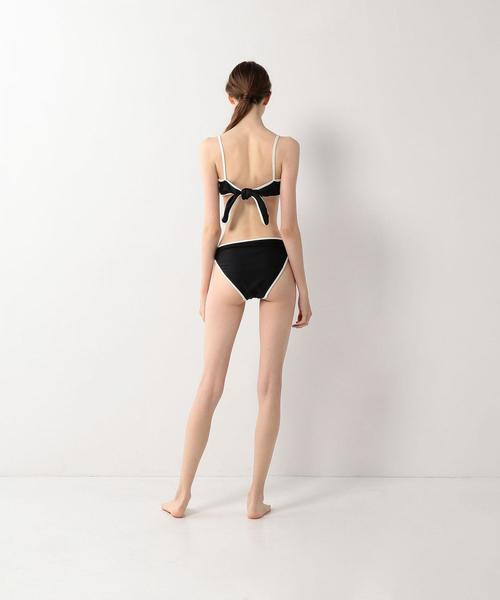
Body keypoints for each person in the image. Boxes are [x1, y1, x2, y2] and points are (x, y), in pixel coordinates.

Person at [162, 61, 312, 519]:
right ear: (268, 98)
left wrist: (203, 287)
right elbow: (288, 226)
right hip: (274, 264)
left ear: (230, 98)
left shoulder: (212, 147)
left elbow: (211, 227)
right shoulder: (286, 147)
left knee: (209, 384)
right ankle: (254, 498)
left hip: (228, 264)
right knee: (269, 386)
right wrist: (305, 290)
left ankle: (182, 497)